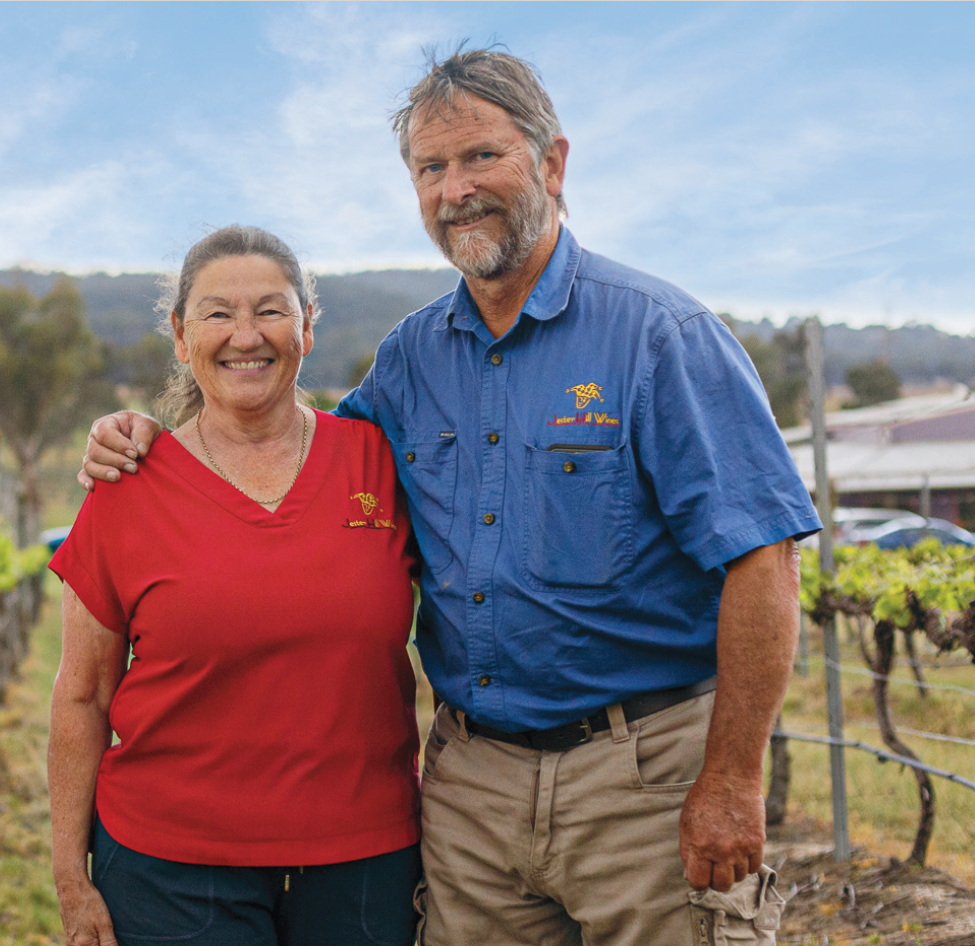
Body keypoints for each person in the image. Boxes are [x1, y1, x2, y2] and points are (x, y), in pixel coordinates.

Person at [80, 50, 819, 946]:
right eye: (430, 169)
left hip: (642, 782)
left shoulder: (661, 337)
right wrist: (147, 438)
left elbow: (762, 560)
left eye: (480, 157)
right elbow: (285, 448)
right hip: (471, 789)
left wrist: (732, 782)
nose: (454, 189)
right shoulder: (410, 358)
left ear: (551, 165)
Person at [48, 226, 422, 946]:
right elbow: (81, 693)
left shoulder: (379, 462)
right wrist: (71, 875)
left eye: (271, 311)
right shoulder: (127, 486)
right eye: (218, 314)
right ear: (182, 337)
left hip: (364, 863)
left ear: (307, 327)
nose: (245, 336)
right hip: (170, 872)